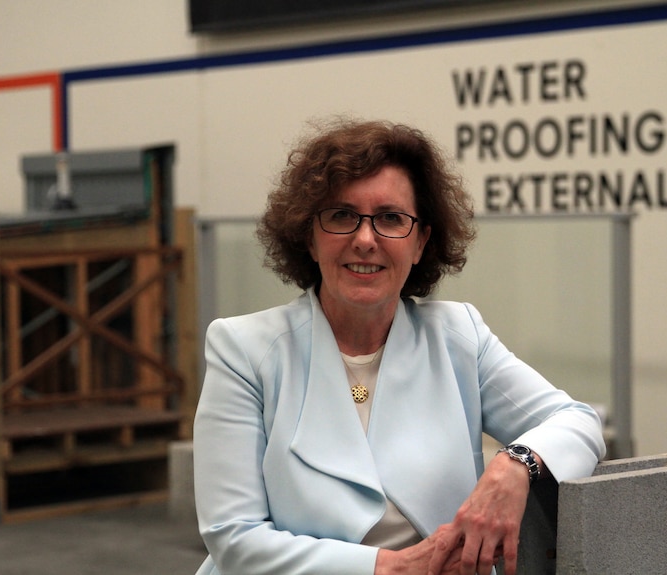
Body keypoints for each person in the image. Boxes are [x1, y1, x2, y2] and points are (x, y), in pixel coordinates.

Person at [193, 118, 606, 575]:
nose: (365, 240)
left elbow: (579, 422)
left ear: (421, 241)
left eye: (391, 218)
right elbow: (234, 537)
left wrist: (513, 466)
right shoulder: (244, 350)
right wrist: (390, 568)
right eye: (342, 216)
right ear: (309, 237)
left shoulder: (458, 336)